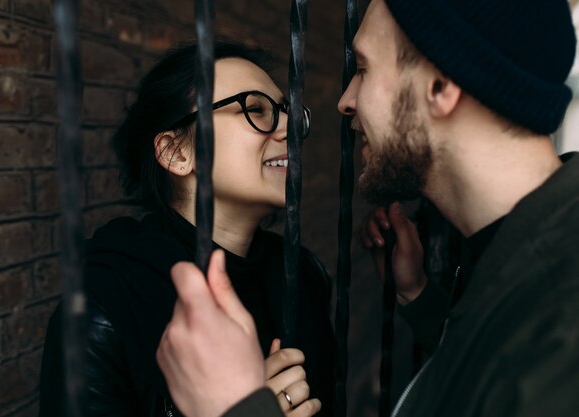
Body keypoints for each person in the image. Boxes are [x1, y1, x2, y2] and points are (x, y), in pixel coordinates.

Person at [155, 0, 579, 417]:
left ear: (440, 84)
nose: (345, 100)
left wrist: (238, 411)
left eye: (363, 69)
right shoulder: (517, 257)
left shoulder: (562, 312)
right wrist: (421, 300)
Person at [37, 42, 335, 417]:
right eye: (256, 109)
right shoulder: (105, 305)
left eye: (288, 113)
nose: (289, 130)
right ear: (177, 154)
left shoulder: (303, 276)